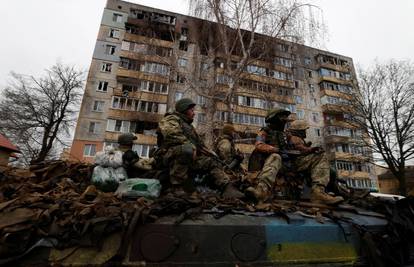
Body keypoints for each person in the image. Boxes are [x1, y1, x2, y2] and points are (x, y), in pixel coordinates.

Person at [156, 98, 244, 198]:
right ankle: (177, 187)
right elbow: (172, 134)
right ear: (184, 109)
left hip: (186, 157)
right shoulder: (171, 119)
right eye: (192, 110)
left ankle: (226, 187)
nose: (194, 113)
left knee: (211, 161)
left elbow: (200, 144)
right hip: (168, 157)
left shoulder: (189, 126)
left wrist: (210, 153)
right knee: (186, 149)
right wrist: (192, 147)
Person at [286, 120, 343, 204]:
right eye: (304, 130)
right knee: (321, 156)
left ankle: (328, 192)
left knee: (330, 170)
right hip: (296, 163)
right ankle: (318, 192)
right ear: (299, 131)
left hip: (301, 162)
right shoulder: (294, 138)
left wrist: (309, 148)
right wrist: (311, 149)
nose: (305, 132)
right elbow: (299, 149)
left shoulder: (297, 138)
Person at [246, 108, 291, 202]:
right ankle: (261, 190)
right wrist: (274, 149)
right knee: (275, 156)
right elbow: (259, 145)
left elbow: (291, 148)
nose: (285, 120)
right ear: (274, 118)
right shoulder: (265, 131)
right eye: (282, 116)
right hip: (265, 162)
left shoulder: (285, 135)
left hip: (283, 164)